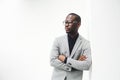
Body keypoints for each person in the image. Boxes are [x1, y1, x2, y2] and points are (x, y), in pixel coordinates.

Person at [50, 13, 92, 80]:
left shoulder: (85, 43)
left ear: (78, 24)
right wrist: (75, 64)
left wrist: (66, 60)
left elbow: (87, 65)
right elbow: (52, 61)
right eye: (65, 22)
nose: (66, 25)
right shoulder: (58, 40)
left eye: (69, 22)